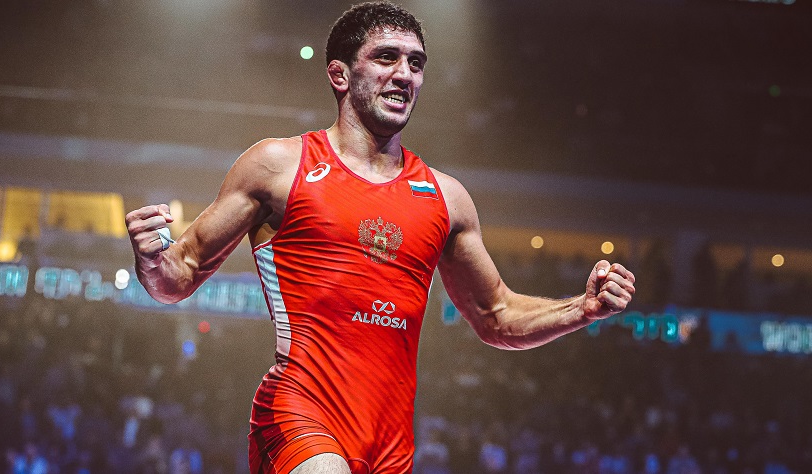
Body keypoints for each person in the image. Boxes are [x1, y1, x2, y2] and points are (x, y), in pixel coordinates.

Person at [124, 2, 636, 473]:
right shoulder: (278, 166)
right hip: (298, 415)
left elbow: (496, 316)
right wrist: (153, 259)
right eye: (387, 57)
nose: (404, 74)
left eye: (416, 63)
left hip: (390, 445)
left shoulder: (447, 199)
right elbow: (178, 276)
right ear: (339, 75)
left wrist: (582, 309)